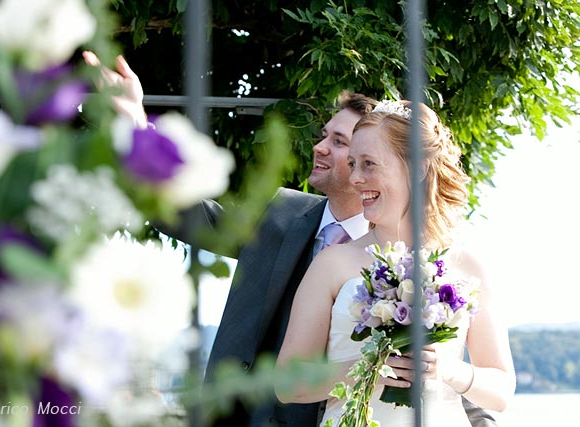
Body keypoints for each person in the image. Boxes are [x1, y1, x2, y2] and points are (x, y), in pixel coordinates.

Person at [82, 52, 502, 427]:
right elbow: (187, 214)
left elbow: (450, 370)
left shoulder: (454, 262)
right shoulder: (283, 218)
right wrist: (135, 128)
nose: (321, 148)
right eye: (334, 142)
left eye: (341, 143)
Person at [275, 100, 516, 427]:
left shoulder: (467, 265)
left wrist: (450, 371)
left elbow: (501, 390)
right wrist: (369, 367)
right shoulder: (331, 264)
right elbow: (287, 385)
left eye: (369, 164)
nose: (355, 178)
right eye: (353, 164)